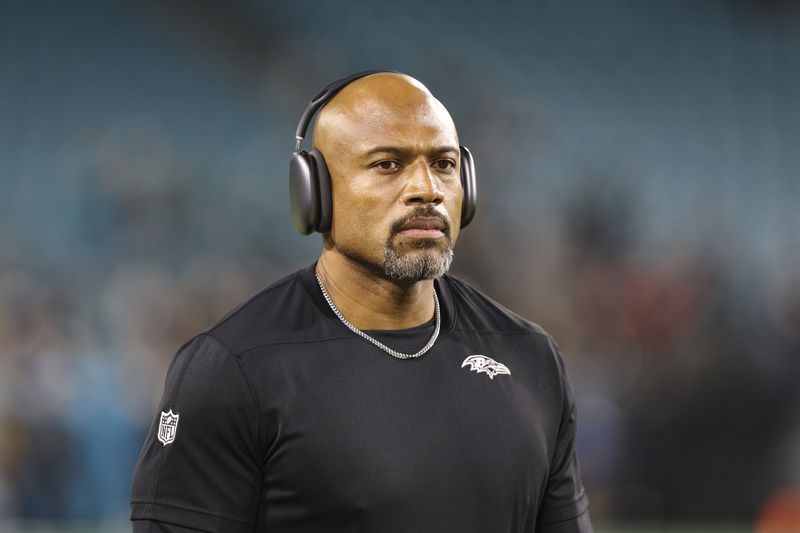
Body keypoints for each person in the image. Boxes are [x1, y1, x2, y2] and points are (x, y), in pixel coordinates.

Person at [130, 71, 593, 533]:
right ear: (315, 193)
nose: (426, 189)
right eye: (388, 164)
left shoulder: (530, 357)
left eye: (444, 164)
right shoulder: (234, 368)